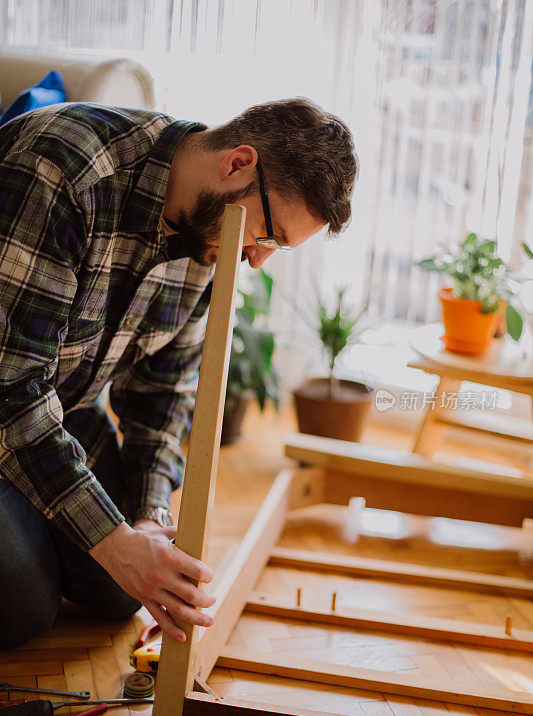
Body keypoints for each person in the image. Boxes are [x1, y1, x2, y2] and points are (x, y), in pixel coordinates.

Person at [0, 97, 358, 649]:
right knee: (23, 604)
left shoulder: (209, 241)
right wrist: (111, 542)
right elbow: (10, 390)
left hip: (62, 408)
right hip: (11, 396)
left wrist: (145, 522)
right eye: (268, 234)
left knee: (127, 587)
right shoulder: (65, 170)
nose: (257, 260)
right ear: (238, 164)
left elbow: (162, 396)